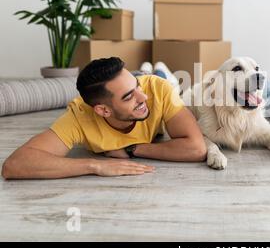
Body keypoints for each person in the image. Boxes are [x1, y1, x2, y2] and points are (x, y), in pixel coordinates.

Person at [1, 57, 207, 180]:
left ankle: (154, 71)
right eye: (129, 97)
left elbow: (197, 149)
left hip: (161, 82)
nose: (143, 97)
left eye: (137, 87)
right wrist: (95, 165)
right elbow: (15, 165)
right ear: (103, 111)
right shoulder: (79, 117)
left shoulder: (156, 90)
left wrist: (132, 149)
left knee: (165, 81)